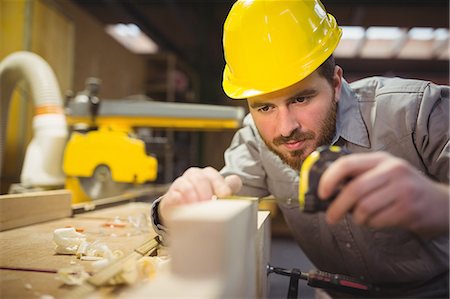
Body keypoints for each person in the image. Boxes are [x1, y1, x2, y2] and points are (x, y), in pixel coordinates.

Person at [151, 0, 449, 297]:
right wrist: (171, 210)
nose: (284, 128)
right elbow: (217, 202)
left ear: (335, 83)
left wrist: (439, 202)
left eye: (301, 99)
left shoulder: (418, 112)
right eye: (265, 107)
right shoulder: (256, 140)